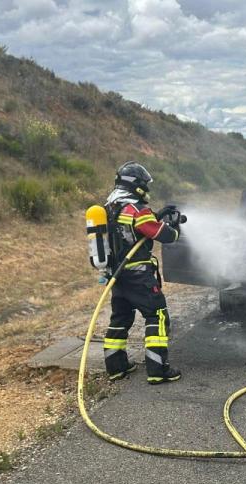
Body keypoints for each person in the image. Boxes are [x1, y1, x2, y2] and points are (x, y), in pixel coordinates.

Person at [102, 161, 183, 384]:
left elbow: (132, 231)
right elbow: (162, 235)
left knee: (120, 319)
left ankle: (116, 368)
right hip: (139, 277)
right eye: (144, 185)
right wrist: (174, 227)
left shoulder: (110, 207)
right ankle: (158, 370)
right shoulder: (136, 209)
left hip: (118, 278)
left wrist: (158, 214)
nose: (146, 189)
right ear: (136, 185)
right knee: (156, 317)